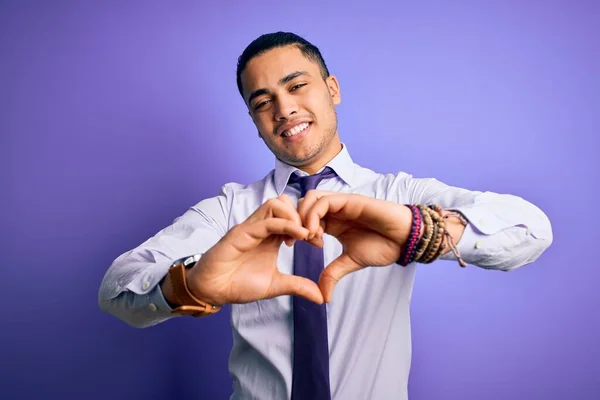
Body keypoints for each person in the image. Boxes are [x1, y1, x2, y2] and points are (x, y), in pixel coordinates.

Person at [98, 32, 553, 400]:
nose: (284, 109)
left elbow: (531, 230)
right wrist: (191, 285)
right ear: (254, 119)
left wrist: (420, 231)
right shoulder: (231, 210)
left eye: (297, 86)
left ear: (331, 89)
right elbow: (117, 287)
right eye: (262, 102)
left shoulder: (397, 195)